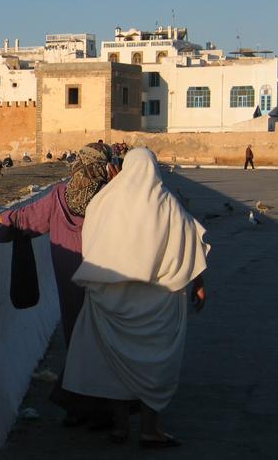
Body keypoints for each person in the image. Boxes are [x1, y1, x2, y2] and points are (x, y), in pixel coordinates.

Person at [62, 148, 209, 448]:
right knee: (155, 364)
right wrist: (198, 284)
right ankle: (149, 429)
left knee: (114, 365)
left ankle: (120, 428)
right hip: (159, 300)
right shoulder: (167, 203)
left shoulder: (105, 200)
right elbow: (189, 242)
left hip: (112, 298)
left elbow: (90, 240)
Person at [0, 143, 118, 424]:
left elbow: (25, 219)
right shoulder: (112, 196)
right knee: (104, 339)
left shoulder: (60, 196)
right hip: (105, 279)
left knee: (77, 337)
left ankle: (79, 407)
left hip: (70, 279)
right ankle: (107, 408)